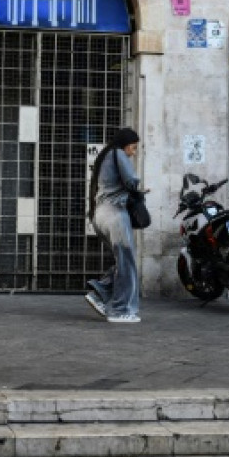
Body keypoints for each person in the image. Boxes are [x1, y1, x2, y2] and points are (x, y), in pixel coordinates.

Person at [85, 127, 146, 324]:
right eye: (133, 148)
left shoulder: (105, 156)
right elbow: (131, 180)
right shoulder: (118, 153)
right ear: (126, 145)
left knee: (123, 262)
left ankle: (99, 292)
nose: (133, 153)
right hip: (115, 215)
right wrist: (139, 189)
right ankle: (121, 310)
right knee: (127, 262)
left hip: (100, 215)